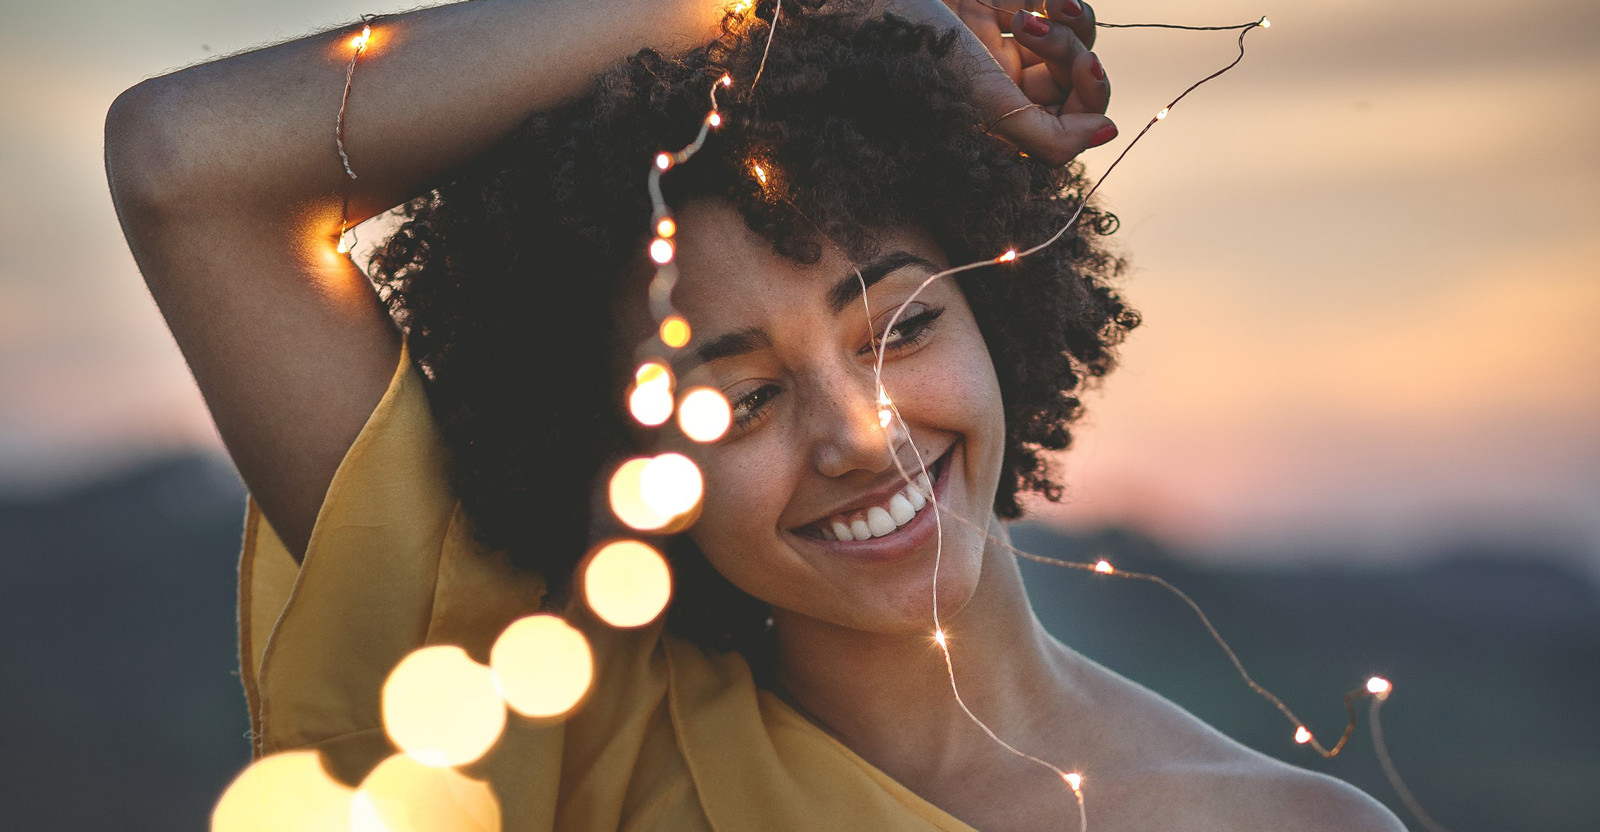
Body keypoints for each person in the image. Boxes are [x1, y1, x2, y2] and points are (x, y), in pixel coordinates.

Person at [105, 0, 1405, 828]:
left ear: (1003, 312)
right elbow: (185, 161)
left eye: (900, 327)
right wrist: (782, 6)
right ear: (613, 446)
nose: (856, 433)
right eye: (737, 396)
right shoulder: (559, 732)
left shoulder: (1288, 827)